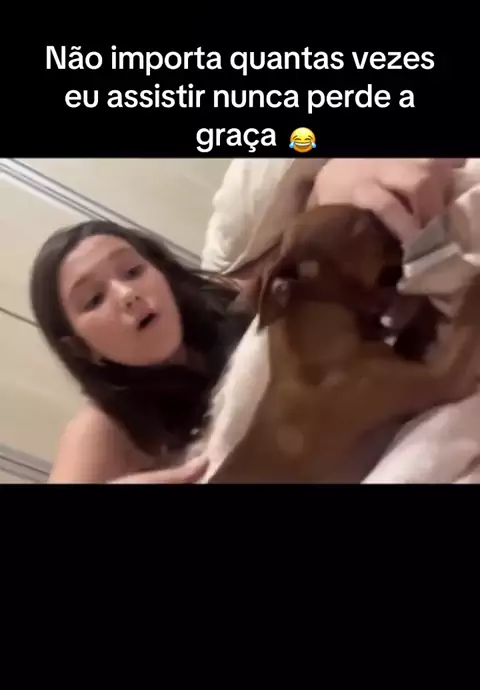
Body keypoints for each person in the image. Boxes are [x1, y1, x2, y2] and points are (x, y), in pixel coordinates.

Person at [30, 158, 458, 483]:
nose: (127, 294)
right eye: (94, 299)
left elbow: (297, 238)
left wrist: (332, 175)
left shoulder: (228, 301)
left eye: (132, 270)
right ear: (81, 348)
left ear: (159, 271)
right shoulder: (102, 428)